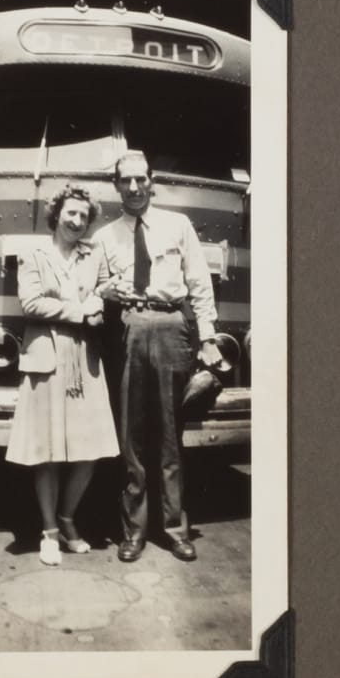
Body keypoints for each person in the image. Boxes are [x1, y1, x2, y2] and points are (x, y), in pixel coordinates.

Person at [93, 149, 223, 563]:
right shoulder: (104, 236)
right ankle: (133, 532)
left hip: (170, 326)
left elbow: (199, 283)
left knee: (169, 433)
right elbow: (94, 288)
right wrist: (104, 292)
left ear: (152, 181)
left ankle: (174, 529)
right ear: (116, 186)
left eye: (140, 179)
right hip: (127, 329)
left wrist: (207, 337)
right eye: (125, 180)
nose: (134, 187)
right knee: (130, 436)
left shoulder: (177, 225)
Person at [4, 187, 120, 565]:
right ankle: (50, 531)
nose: (77, 221)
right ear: (57, 215)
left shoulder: (95, 254)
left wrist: (98, 305)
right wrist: (81, 311)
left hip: (85, 359)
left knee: (90, 451)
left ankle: (68, 518)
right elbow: (31, 303)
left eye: (84, 216)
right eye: (71, 213)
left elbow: (104, 293)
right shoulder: (34, 255)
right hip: (47, 359)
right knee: (48, 452)